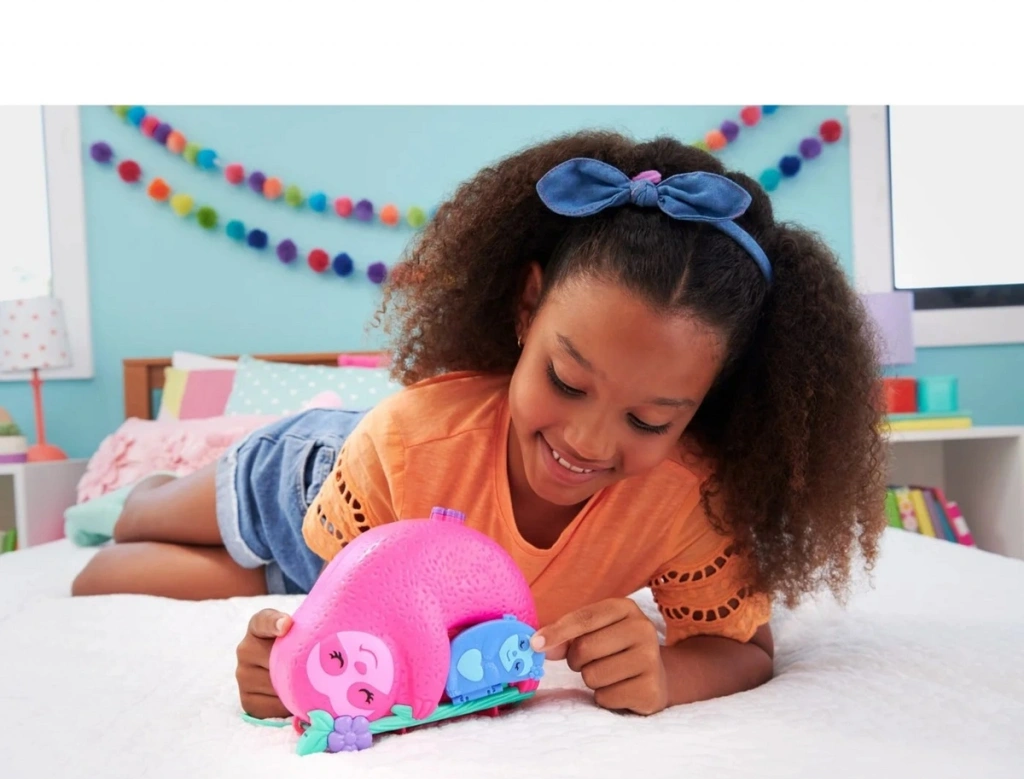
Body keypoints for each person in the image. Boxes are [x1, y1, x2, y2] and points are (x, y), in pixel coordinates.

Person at [73, 129, 886, 719]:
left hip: (361, 583)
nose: (587, 443)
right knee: (137, 521)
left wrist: (671, 675)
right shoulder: (411, 437)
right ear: (527, 310)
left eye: (648, 419)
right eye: (566, 381)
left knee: (101, 578)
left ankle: (243, 562)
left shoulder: (688, 499)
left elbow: (742, 648)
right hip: (312, 477)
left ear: (705, 404)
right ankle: (146, 485)